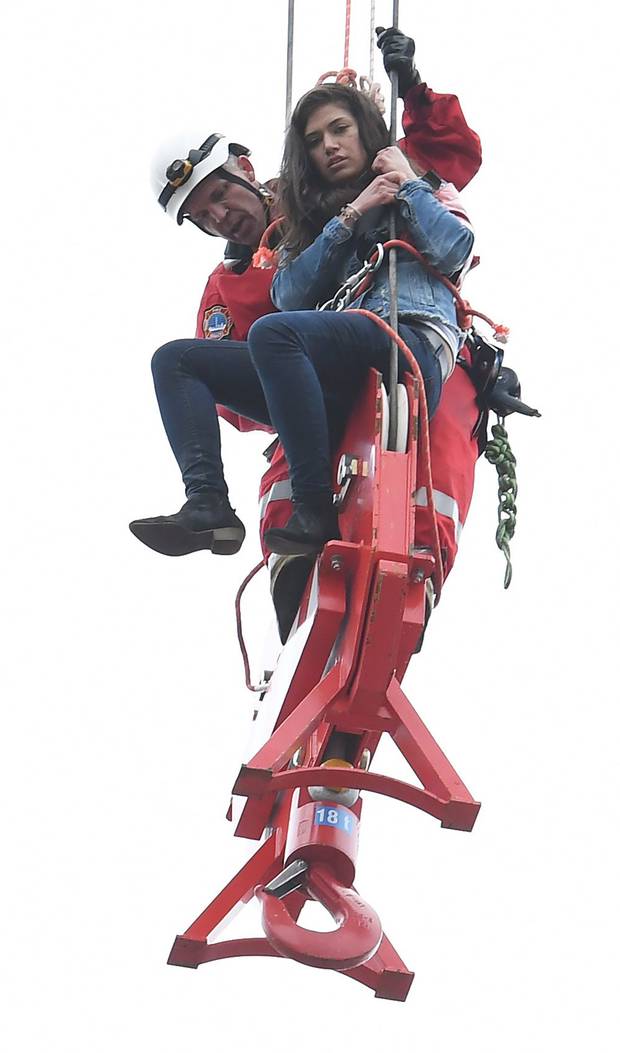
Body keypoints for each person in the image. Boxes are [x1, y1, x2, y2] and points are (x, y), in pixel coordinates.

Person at [130, 30, 479, 570]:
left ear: (245, 169)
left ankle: (344, 526)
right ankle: (209, 505)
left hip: (397, 343)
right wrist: (342, 223)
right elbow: (261, 343)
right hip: (310, 383)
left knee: (424, 482)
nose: (220, 216)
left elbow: (445, 167)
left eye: (219, 195)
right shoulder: (240, 278)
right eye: (203, 216)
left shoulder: (358, 184)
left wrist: (410, 90)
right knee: (176, 360)